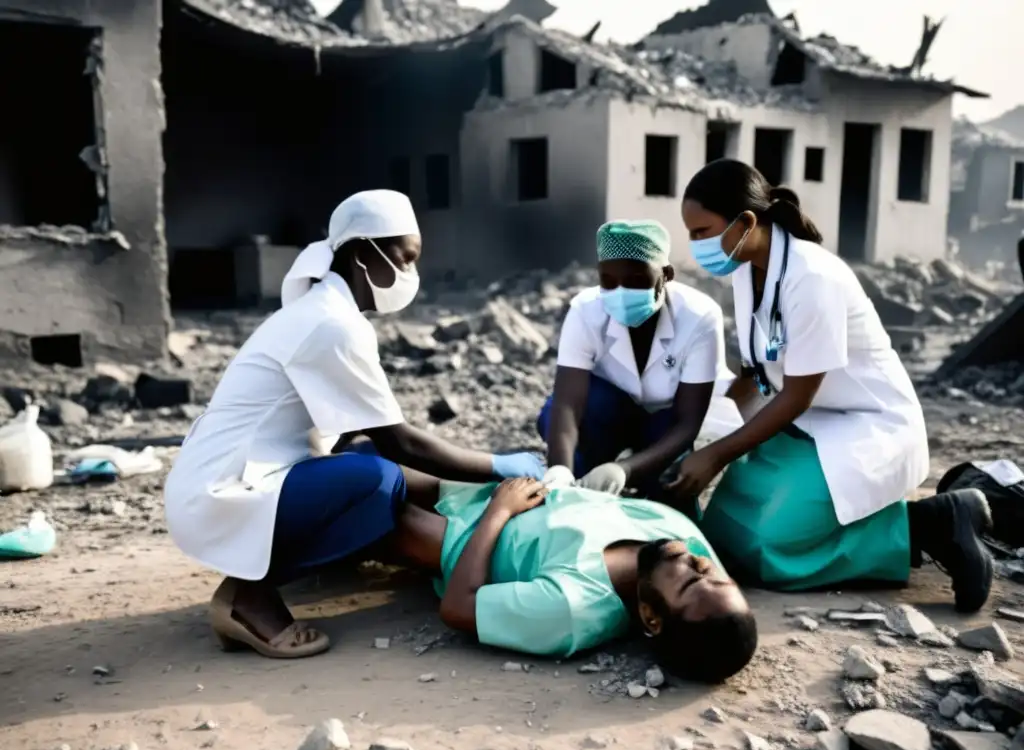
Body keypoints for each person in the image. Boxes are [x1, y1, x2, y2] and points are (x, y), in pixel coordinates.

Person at [164, 190, 545, 659]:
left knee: (368, 465)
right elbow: (401, 441)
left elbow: (350, 432)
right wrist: (497, 466)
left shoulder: (328, 312)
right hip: (221, 492)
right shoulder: (331, 324)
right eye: (405, 259)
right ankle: (249, 594)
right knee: (376, 479)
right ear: (365, 254)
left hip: (243, 475)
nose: (410, 274)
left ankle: (332, 552)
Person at [669, 159, 993, 613]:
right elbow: (752, 372)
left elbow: (798, 395)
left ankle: (929, 524)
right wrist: (698, 432)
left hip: (864, 424)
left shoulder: (811, 276)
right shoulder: (746, 270)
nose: (694, 245)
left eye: (702, 232)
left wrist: (717, 454)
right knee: (726, 539)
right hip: (804, 425)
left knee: (771, 548)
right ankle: (891, 520)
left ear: (744, 222)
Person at [386, 472, 757, 684]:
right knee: (372, 451)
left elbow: (458, 607)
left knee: (367, 490)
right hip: (500, 488)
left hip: (461, 535)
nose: (700, 563)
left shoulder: (572, 608)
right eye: (718, 576)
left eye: (691, 581)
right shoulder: (679, 535)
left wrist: (500, 510)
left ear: (651, 617)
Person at [538, 219, 729, 497]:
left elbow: (688, 422)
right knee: (561, 428)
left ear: (666, 274)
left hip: (666, 422)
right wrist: (560, 470)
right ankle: (583, 474)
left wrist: (624, 470)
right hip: (610, 415)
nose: (621, 293)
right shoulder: (585, 311)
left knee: (668, 488)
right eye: (608, 281)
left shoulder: (700, 317)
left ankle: (644, 479)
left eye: (637, 281)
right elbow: (568, 402)